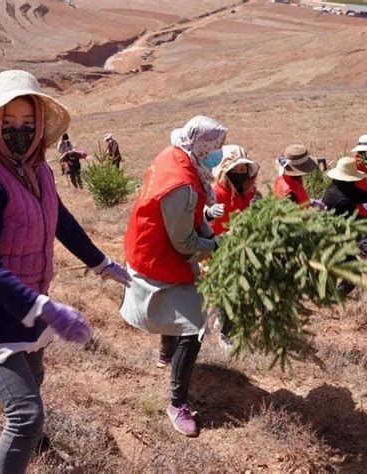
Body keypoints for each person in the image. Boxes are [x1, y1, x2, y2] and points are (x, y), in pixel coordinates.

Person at [0, 70, 131, 474]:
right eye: (9, 123)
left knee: (34, 377)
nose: (19, 132)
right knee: (24, 414)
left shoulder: (36, 167)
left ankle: (35, 446)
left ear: (39, 128)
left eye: (27, 124)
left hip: (24, 298)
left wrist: (101, 263)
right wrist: (46, 309)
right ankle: (26, 440)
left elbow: (59, 218)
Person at [121, 115, 227, 438]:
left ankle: (167, 354)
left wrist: (210, 235)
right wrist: (216, 245)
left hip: (150, 245)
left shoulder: (175, 156)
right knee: (194, 324)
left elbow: (193, 220)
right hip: (157, 254)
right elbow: (185, 244)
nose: (216, 156)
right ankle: (177, 404)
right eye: (213, 150)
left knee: (177, 301)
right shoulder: (182, 184)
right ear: (200, 146)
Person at [205, 145, 260, 350]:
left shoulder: (248, 191)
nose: (239, 174)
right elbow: (203, 222)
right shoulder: (214, 193)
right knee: (233, 289)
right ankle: (226, 334)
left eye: (243, 169)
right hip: (218, 249)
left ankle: (223, 315)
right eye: (235, 170)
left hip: (243, 247)